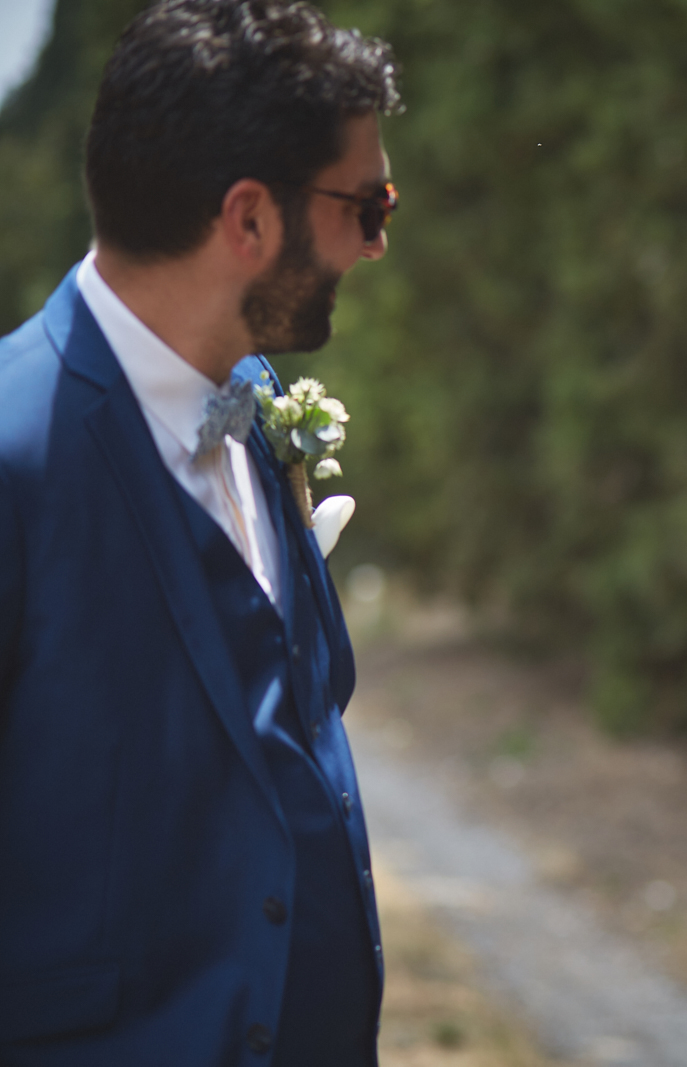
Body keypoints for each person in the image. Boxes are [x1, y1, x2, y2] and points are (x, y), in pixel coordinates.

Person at [0, 1, 400, 1062]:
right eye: (367, 202)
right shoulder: (8, 454)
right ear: (250, 220)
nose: (377, 242)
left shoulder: (260, 398)